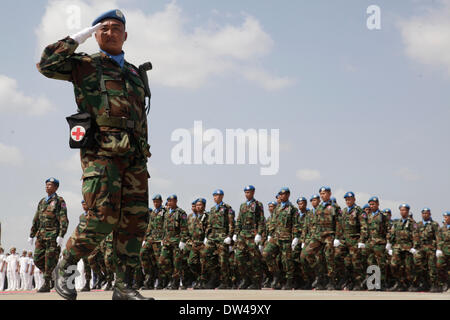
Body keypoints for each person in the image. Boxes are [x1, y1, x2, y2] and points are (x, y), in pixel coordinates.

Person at [37, 8, 153, 300]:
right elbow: (46, 64)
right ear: (95, 35)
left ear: (125, 35)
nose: (109, 32)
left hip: (135, 157)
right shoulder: (85, 64)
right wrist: (77, 38)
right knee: (101, 216)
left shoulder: (136, 73)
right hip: (101, 154)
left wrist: (143, 153)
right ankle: (65, 267)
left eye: (115, 28)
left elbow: (140, 117)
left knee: (134, 221)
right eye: (103, 28)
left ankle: (123, 286)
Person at [28, 177, 68, 292]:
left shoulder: (59, 201)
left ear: (56, 187)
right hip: (40, 235)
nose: (47, 186)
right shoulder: (42, 201)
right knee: (37, 259)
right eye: (46, 184)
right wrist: (31, 234)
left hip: (53, 236)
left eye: (50, 185)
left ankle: (46, 282)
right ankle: (49, 276)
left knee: (50, 259)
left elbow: (63, 219)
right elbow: (36, 219)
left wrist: (61, 235)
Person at [303, 187, 341, 290]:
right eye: (321, 194)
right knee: (307, 254)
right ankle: (320, 275)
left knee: (329, 258)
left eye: (324, 193)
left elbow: (338, 222)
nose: (322, 195)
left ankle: (331, 281)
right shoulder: (319, 207)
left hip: (329, 235)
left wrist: (337, 237)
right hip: (318, 236)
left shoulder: (334, 207)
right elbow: (315, 223)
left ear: (329, 194)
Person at [263, 187, 300, 290]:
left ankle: (289, 281)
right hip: (275, 237)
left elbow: (296, 225)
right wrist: (270, 233)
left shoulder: (292, 209)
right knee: (266, 253)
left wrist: (296, 238)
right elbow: (273, 222)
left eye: (282, 194)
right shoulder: (277, 208)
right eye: (279, 194)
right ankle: (276, 274)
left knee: (286, 261)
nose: (280, 196)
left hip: (286, 238)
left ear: (287, 195)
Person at [203, 189, 236, 289]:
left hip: (222, 237)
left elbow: (231, 223)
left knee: (223, 260)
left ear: (222, 196)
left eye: (217, 195)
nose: (215, 197)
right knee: (206, 255)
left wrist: (230, 236)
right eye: (214, 195)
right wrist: (206, 236)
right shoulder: (212, 209)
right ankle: (215, 277)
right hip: (212, 237)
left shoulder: (227, 208)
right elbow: (209, 224)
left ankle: (226, 282)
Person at [334, 192, 367, 291]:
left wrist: (361, 240)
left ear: (354, 199)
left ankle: (358, 283)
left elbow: (364, 226)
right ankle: (346, 279)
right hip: (344, 240)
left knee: (356, 262)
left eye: (350, 199)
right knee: (337, 257)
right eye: (346, 200)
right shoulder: (343, 211)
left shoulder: (359, 211)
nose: (348, 201)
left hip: (354, 240)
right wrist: (337, 238)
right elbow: (339, 226)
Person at [235, 186, 265, 290]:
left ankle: (256, 282)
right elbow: (239, 220)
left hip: (253, 233)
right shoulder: (242, 205)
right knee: (239, 257)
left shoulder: (258, 204)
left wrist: (259, 234)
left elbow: (261, 220)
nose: (247, 194)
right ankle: (245, 279)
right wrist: (236, 233)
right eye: (246, 192)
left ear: (253, 192)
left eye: (249, 192)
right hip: (243, 233)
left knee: (254, 259)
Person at [158, 195, 188, 290]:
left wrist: (183, 241)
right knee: (162, 261)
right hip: (167, 241)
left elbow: (184, 228)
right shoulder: (166, 213)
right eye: (168, 201)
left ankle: (175, 282)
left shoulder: (181, 213)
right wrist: (163, 239)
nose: (169, 202)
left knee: (176, 263)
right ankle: (172, 278)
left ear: (175, 201)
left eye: (171, 201)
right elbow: (164, 228)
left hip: (176, 242)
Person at [386, 204, 419, 292]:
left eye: (404, 210)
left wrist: (414, 247)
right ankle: (399, 283)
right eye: (401, 210)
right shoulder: (396, 222)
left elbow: (415, 235)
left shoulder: (412, 223)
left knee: (408, 267)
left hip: (408, 248)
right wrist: (389, 244)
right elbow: (392, 234)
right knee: (394, 265)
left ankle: (411, 284)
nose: (402, 211)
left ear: (408, 211)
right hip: (397, 247)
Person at [413, 208, 440, 292]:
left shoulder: (434, 224)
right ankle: (424, 284)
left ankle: (435, 285)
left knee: (432, 267)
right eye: (423, 213)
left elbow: (438, 237)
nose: (425, 215)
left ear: (430, 214)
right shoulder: (418, 224)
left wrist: (438, 249)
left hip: (431, 248)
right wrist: (414, 247)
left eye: (426, 213)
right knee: (420, 266)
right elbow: (415, 235)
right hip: (421, 248)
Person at [436, 211, 450, 292]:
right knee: (440, 266)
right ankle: (444, 283)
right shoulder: (442, 228)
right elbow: (439, 239)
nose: (445, 218)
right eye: (444, 217)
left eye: (446, 217)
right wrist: (438, 249)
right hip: (444, 251)